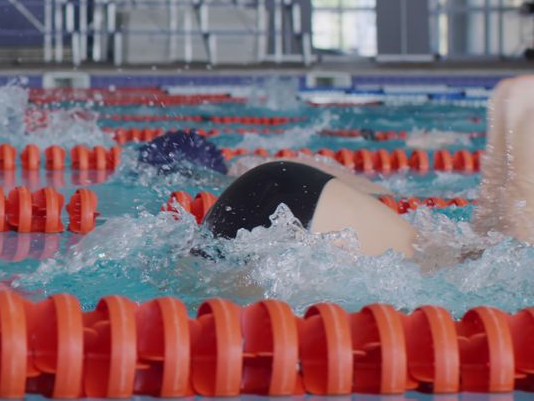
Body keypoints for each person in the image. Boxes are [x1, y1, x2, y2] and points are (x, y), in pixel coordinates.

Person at [142, 75, 534, 257]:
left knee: (489, 251)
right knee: (498, 252)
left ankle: (517, 104)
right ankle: (519, 105)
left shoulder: (245, 158)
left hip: (277, 189)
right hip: (298, 199)